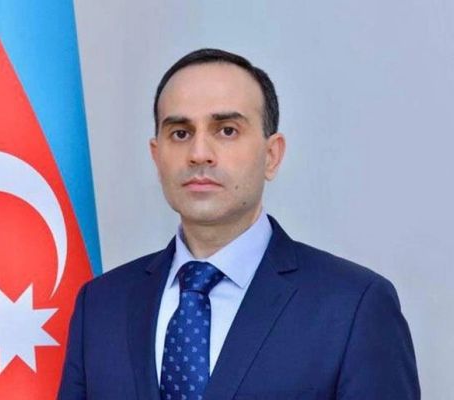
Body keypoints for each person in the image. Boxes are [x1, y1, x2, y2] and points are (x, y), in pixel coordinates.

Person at [58, 48, 420, 400]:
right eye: (180, 133)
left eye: (227, 130)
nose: (199, 153)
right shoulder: (100, 305)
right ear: (157, 156)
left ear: (271, 155)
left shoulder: (354, 305)